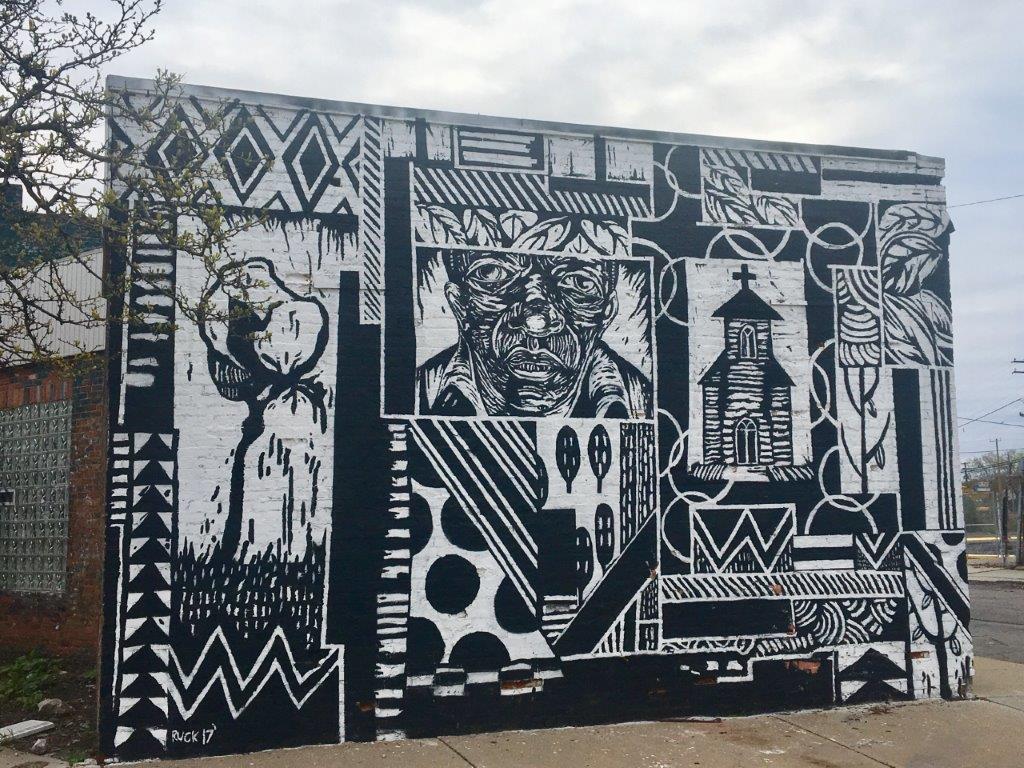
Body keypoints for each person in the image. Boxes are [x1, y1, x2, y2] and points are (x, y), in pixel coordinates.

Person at [417, 250, 652, 418]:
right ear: (459, 304)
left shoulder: (646, 402)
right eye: (492, 273)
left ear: (606, 312)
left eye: (579, 282)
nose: (535, 324)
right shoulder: (418, 393)